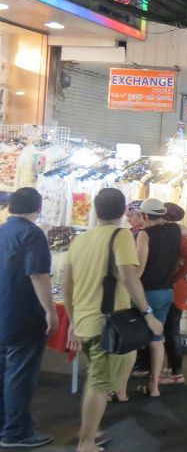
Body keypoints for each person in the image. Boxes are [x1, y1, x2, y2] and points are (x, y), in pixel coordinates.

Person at [62, 188, 163, 452]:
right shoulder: (122, 236)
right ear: (123, 212)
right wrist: (148, 314)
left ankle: (92, 430)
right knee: (98, 383)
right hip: (105, 325)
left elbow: (66, 284)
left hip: (85, 323)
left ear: (95, 209)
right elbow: (129, 277)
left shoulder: (81, 240)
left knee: (101, 378)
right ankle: (86, 443)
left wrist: (73, 321)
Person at [0, 188, 56, 449]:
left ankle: (6, 426)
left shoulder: (2, 231)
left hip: (3, 310)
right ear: (38, 207)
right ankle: (16, 432)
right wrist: (50, 310)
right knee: (20, 374)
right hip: (22, 313)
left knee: (4, 373)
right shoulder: (32, 233)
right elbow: (38, 275)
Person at [135, 199, 182, 398]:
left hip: (147, 293)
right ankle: (154, 386)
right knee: (157, 338)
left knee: (132, 338)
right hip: (166, 291)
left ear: (145, 216)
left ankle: (119, 389)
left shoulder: (145, 235)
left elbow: (139, 268)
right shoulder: (175, 231)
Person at [159, 204, 187, 385]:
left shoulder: (175, 234)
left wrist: (176, 277)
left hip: (175, 286)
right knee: (169, 329)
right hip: (174, 285)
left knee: (171, 330)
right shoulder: (174, 232)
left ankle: (176, 372)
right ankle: (172, 370)